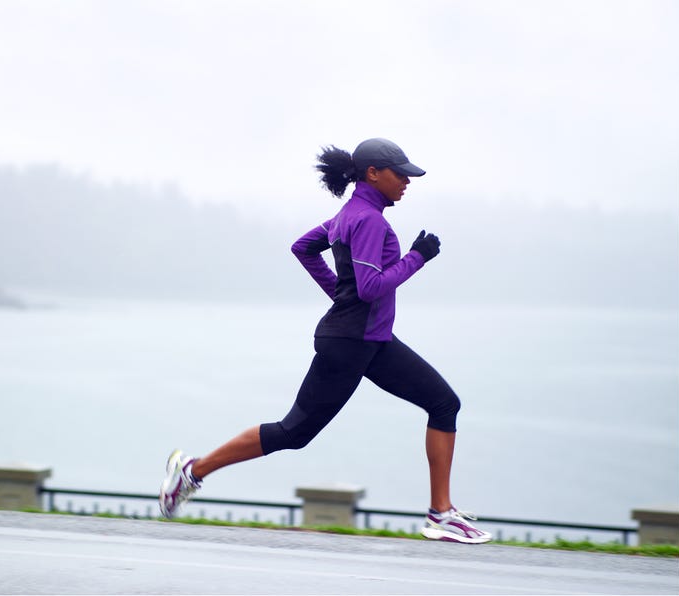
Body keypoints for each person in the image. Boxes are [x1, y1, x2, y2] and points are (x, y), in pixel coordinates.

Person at [159, 138, 491, 544]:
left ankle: (441, 514)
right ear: (373, 173)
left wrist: (340, 293)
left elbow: (304, 248)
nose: (407, 180)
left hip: (372, 340)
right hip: (351, 342)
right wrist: (417, 257)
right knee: (292, 432)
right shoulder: (369, 220)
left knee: (443, 403)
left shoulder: (348, 215)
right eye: (399, 173)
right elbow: (369, 288)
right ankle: (192, 472)